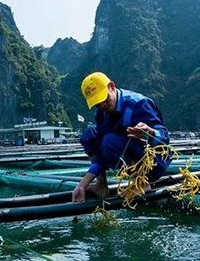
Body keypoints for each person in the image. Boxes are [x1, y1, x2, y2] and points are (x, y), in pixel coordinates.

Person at [72, 72, 171, 202]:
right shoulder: (102, 113)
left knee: (109, 141)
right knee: (90, 135)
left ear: (112, 86)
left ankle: (142, 182)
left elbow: (164, 137)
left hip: (155, 161)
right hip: (125, 152)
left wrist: (150, 133)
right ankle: (101, 185)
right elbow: (100, 152)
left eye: (104, 99)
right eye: (97, 104)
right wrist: (83, 184)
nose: (102, 106)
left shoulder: (138, 104)